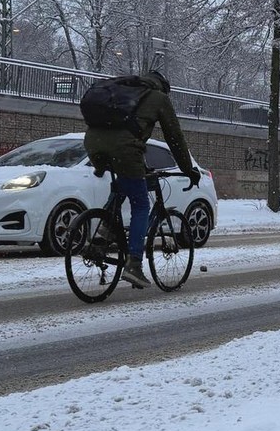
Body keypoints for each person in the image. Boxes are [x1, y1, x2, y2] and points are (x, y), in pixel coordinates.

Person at [83, 69, 202, 288]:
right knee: (140, 205)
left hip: (92, 141)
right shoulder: (158, 98)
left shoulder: (124, 90)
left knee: (122, 186)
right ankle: (134, 265)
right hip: (124, 149)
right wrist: (188, 169)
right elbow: (174, 137)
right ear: (163, 87)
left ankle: (100, 239)